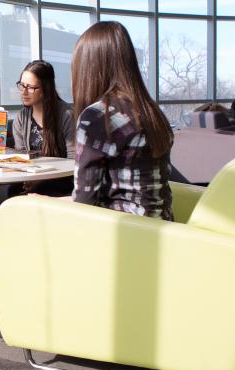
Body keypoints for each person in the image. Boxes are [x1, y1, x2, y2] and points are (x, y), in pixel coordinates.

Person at [71, 21, 174, 220]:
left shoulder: (98, 117)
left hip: (122, 236)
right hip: (161, 230)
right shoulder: (151, 111)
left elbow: (84, 203)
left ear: (87, 68)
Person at [0, 60, 75, 239]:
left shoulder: (66, 115)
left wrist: (37, 179)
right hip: (32, 175)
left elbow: (73, 161)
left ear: (45, 88)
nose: (24, 91)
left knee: (5, 193)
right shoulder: (22, 117)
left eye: (31, 87)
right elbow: (22, 157)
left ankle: (11, 248)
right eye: (22, 85)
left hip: (60, 178)